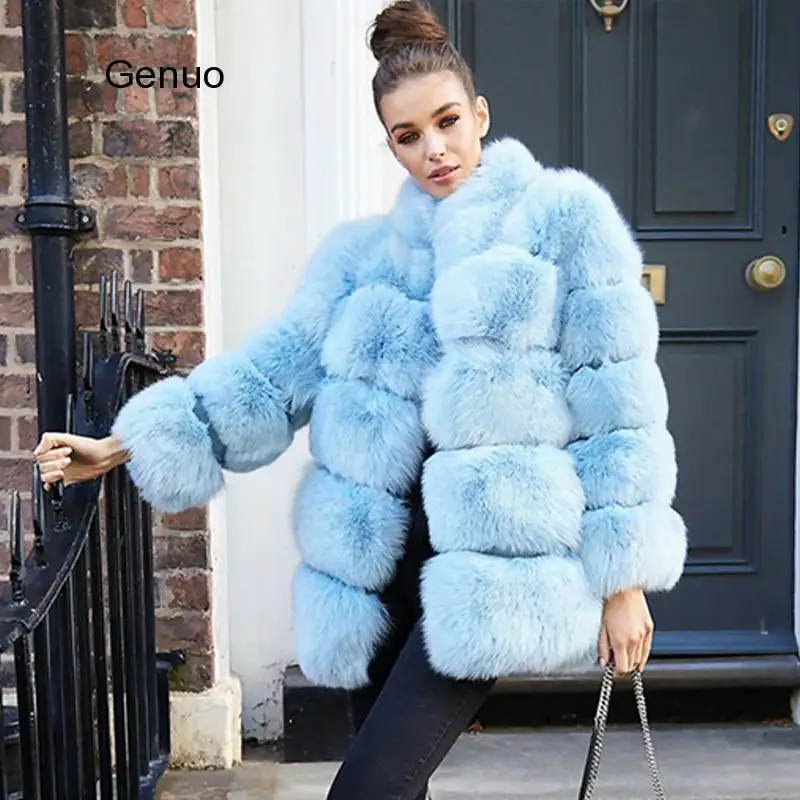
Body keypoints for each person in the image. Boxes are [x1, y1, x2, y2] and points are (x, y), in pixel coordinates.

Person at [35, 2, 686, 797]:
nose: (433, 149)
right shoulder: (361, 260)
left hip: (486, 574)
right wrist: (123, 444)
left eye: (447, 122)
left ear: (480, 115)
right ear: (390, 144)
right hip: (373, 575)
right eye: (408, 136)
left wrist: (624, 580)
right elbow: (271, 377)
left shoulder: (563, 223)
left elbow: (618, 407)